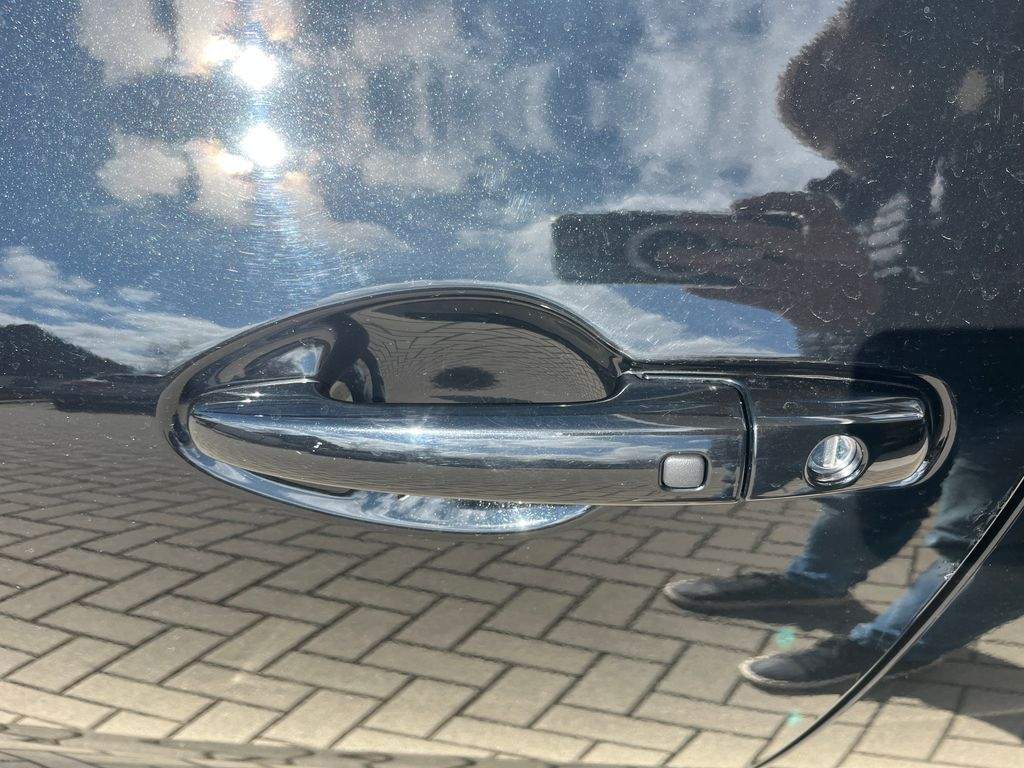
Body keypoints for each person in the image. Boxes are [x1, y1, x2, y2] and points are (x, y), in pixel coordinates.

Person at [663, 0, 1024, 692]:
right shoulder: (864, 191)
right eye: (847, 154)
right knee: (869, 481)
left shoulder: (990, 148)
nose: (862, 167)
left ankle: (889, 649)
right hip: (928, 380)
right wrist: (825, 317)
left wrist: (871, 304)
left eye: (883, 139)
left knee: (993, 541)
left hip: (1010, 394)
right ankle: (815, 584)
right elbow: (866, 329)